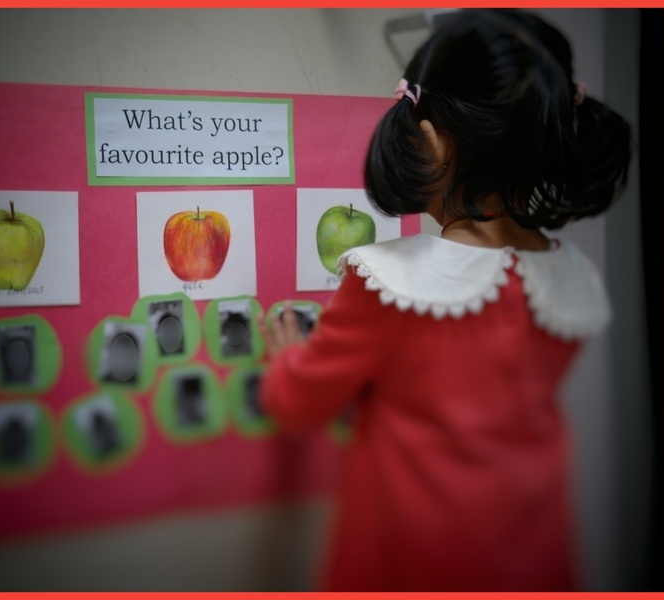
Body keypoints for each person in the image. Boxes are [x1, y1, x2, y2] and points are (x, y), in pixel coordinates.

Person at [256, 9, 631, 592]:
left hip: (408, 564)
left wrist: (284, 358)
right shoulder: (571, 276)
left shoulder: (388, 282)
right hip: (531, 562)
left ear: (430, 140)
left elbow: (299, 403)